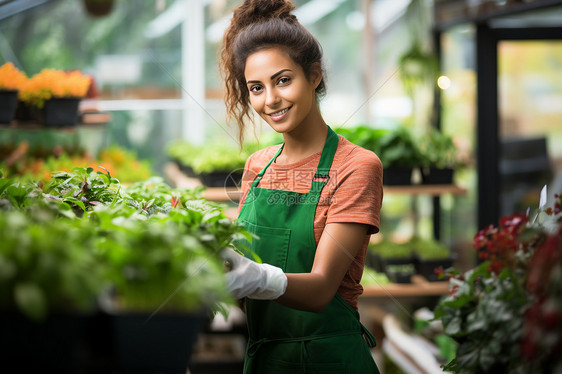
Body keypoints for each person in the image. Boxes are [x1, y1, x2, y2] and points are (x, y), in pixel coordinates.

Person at [219, 0, 383, 372]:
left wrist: (251, 276)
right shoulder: (257, 166)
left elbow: (322, 289)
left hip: (330, 360)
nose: (270, 100)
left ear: (314, 75)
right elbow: (247, 296)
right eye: (256, 88)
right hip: (265, 360)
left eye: (283, 80)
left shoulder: (355, 165)